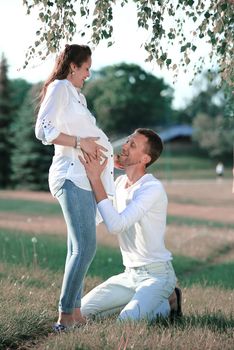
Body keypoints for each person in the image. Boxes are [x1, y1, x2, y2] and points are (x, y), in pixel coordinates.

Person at [35, 44, 115, 331]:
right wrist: (81, 143)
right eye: (86, 68)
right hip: (70, 175)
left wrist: (104, 154)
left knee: (75, 248)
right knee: (85, 246)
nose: (89, 74)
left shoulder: (76, 96)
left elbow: (89, 136)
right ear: (73, 66)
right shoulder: (59, 88)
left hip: (83, 176)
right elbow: (43, 129)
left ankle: (76, 312)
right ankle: (65, 317)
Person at [79, 128, 182, 322]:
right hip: (129, 275)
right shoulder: (118, 184)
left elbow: (117, 225)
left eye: (132, 145)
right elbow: (101, 217)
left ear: (145, 159)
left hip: (157, 275)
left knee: (126, 322)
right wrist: (106, 169)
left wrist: (95, 179)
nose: (125, 146)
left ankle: (168, 302)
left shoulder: (151, 188)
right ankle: (148, 301)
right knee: (82, 312)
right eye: (127, 141)